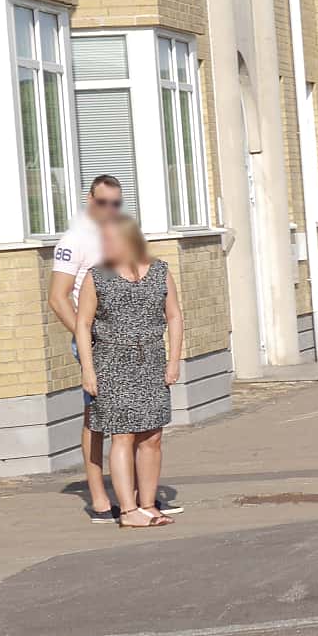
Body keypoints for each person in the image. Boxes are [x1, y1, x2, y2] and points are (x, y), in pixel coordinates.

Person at [75, 216, 182, 529]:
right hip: (112, 360)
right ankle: (128, 510)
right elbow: (83, 323)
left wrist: (173, 361)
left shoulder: (160, 271)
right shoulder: (98, 277)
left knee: (153, 435)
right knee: (123, 434)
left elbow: (174, 316)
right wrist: (88, 370)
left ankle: (148, 504)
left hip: (151, 358)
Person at [46, 174, 123, 525]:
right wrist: (84, 335)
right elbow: (57, 297)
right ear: (89, 201)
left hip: (128, 341)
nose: (109, 209)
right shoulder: (74, 240)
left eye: (115, 203)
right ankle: (98, 497)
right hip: (95, 342)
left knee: (133, 416)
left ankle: (135, 496)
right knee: (96, 418)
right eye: (102, 202)